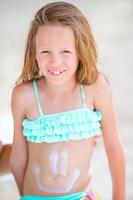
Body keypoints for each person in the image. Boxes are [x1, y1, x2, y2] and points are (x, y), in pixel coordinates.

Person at [9, 2, 125, 200]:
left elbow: (113, 146)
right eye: (46, 52)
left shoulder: (94, 88)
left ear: (80, 51)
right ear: (34, 52)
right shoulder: (24, 95)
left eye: (66, 51)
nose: (55, 62)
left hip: (80, 196)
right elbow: (18, 158)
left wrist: (119, 197)